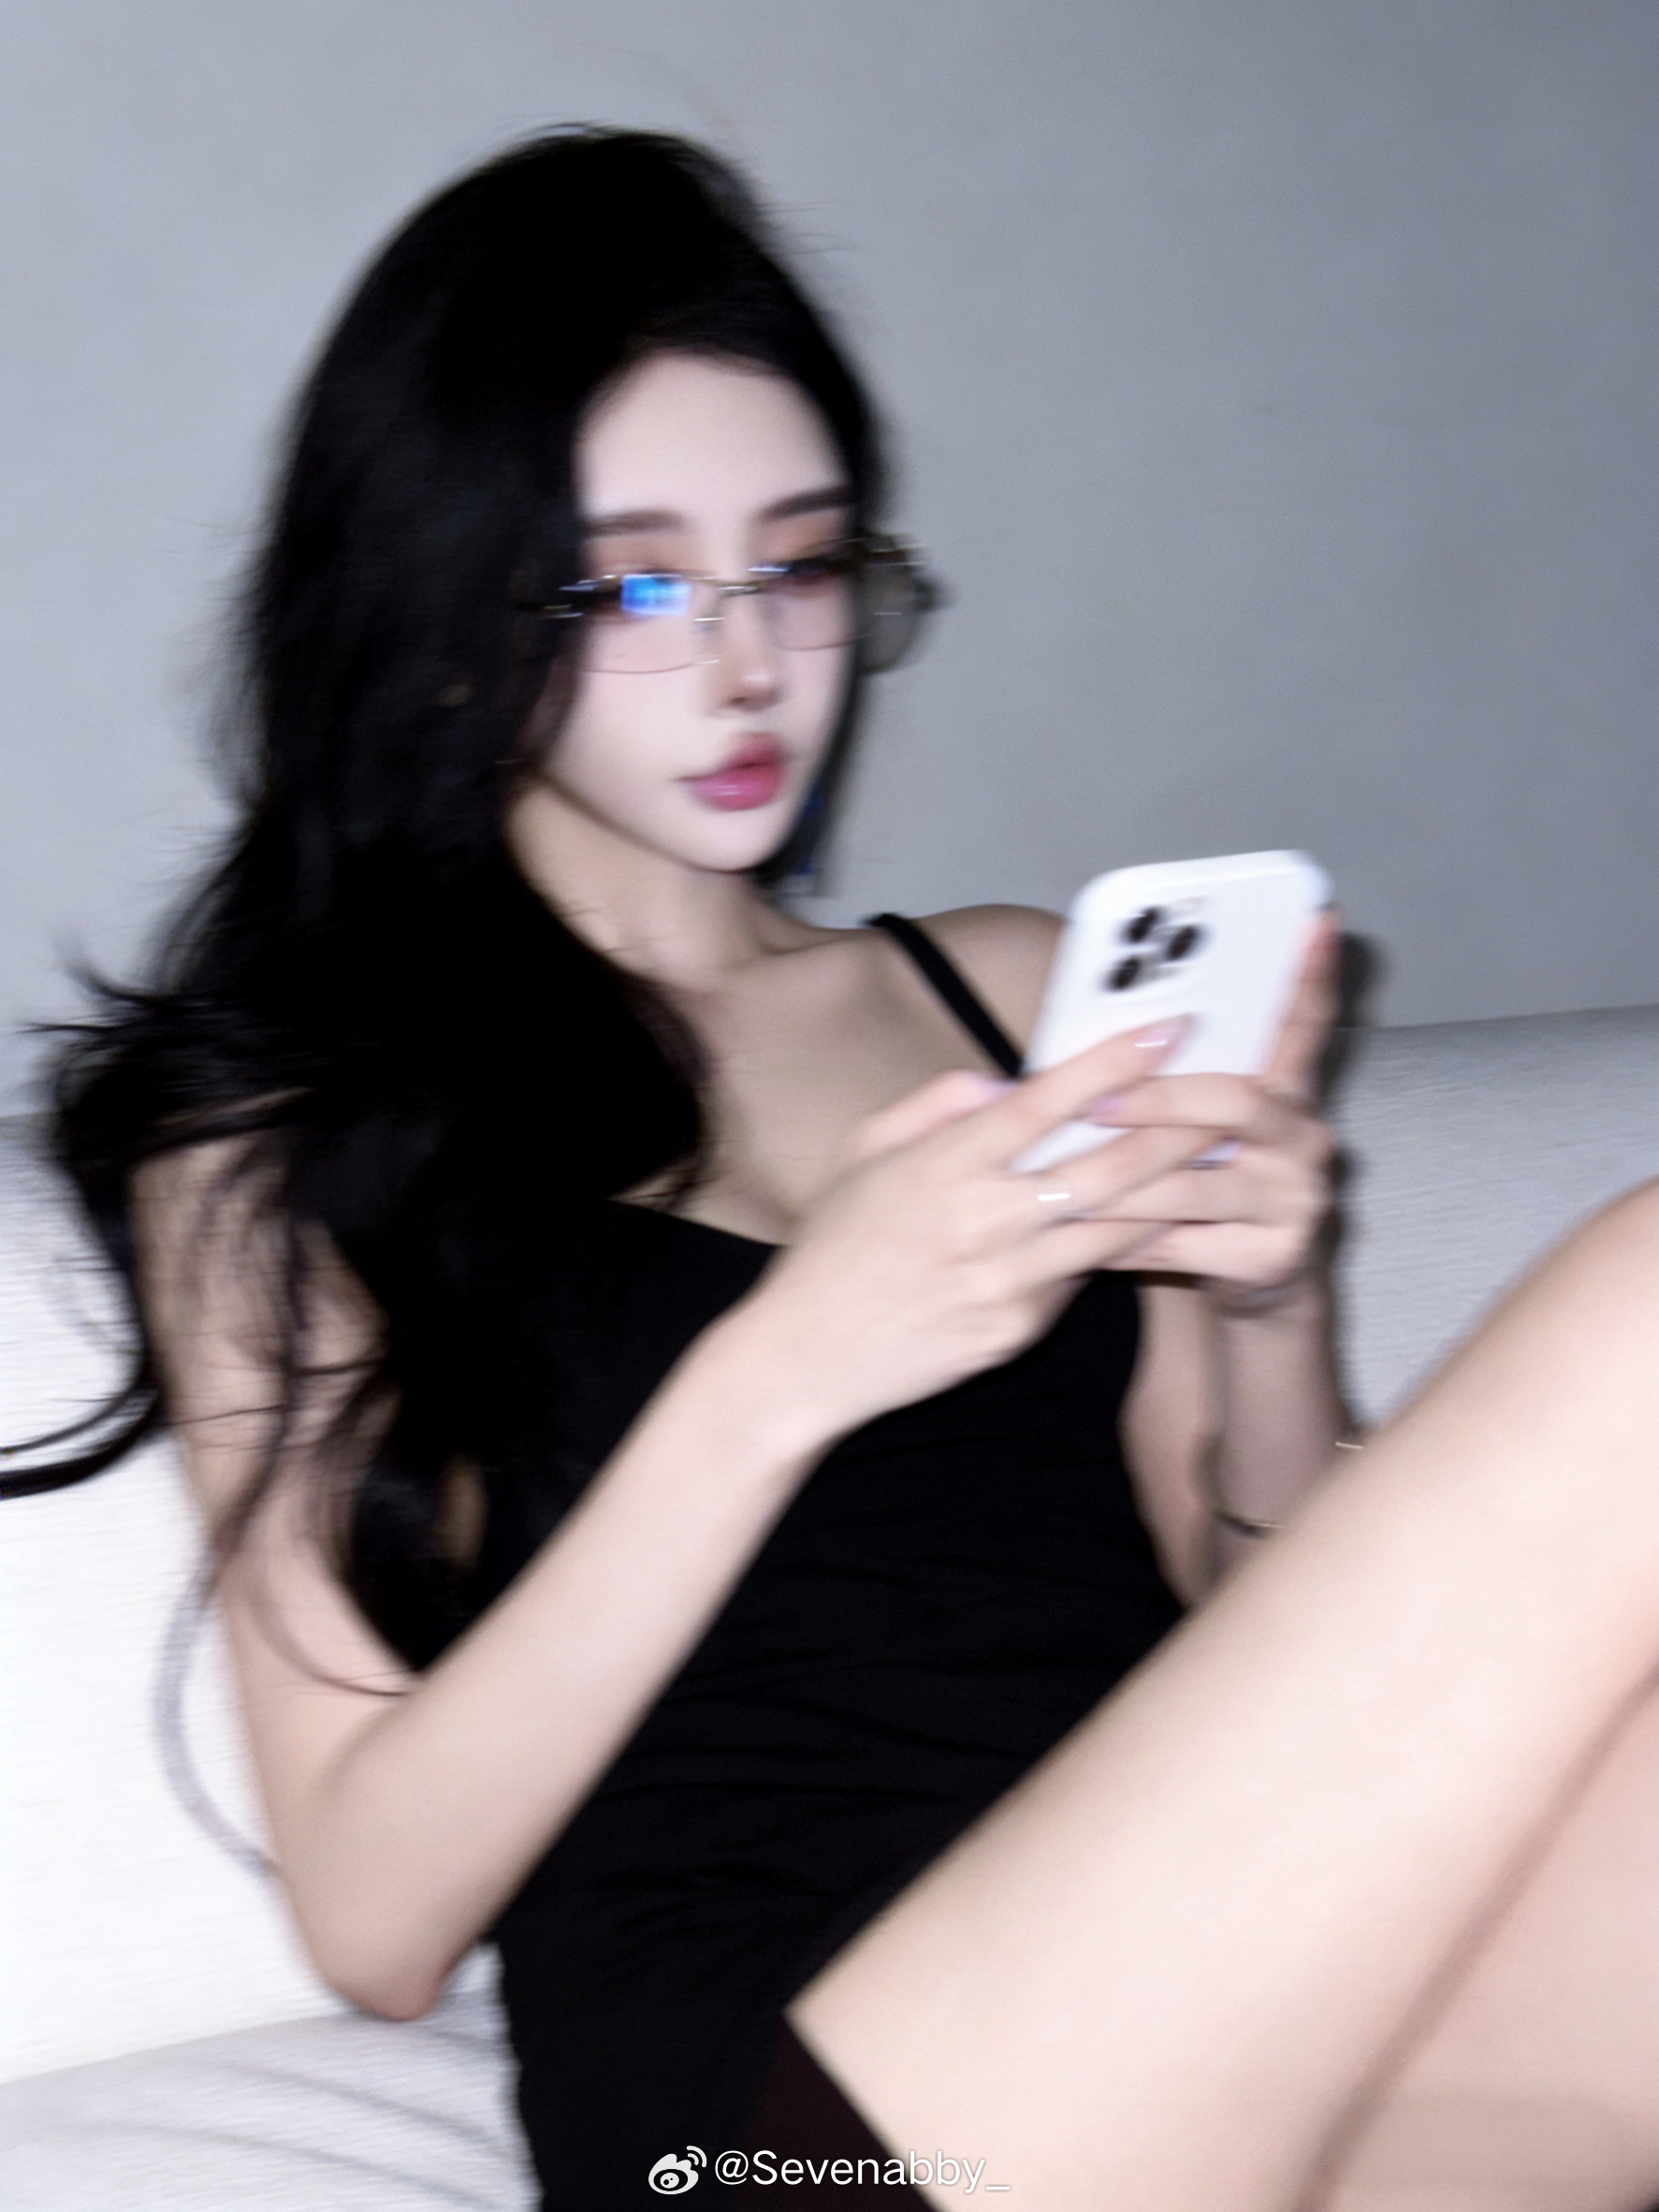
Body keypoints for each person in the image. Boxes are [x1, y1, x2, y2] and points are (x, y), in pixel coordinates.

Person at [14, 128, 1659, 2212]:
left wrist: (1263, 1310)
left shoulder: (1021, 994)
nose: (747, 667)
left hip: (1212, 2062)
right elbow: (373, 1916)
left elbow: (1266, 1630)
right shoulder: (275, 1151)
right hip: (792, 2145)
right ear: (439, 620)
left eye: (796, 568)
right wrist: (783, 1368)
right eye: (635, 587)